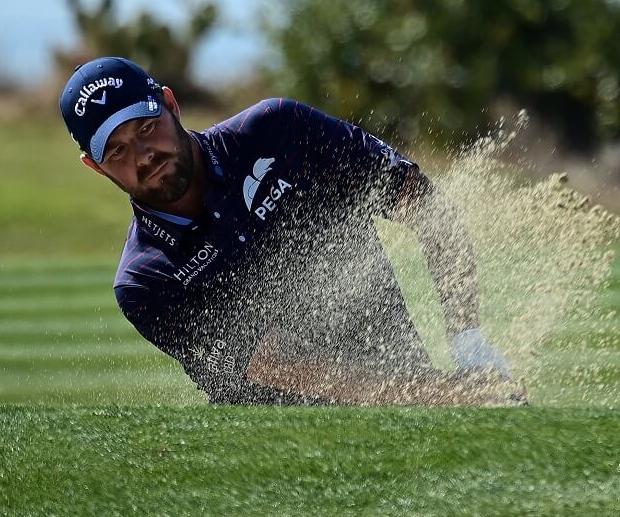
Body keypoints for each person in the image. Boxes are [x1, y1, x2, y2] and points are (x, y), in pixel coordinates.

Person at [60, 57, 520, 406]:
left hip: (408, 379)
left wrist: (468, 343)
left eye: (146, 127)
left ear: (171, 104)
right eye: (117, 151)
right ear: (95, 166)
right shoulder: (144, 281)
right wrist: (433, 394)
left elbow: (418, 202)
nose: (143, 155)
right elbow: (270, 362)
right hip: (284, 457)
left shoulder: (278, 130)